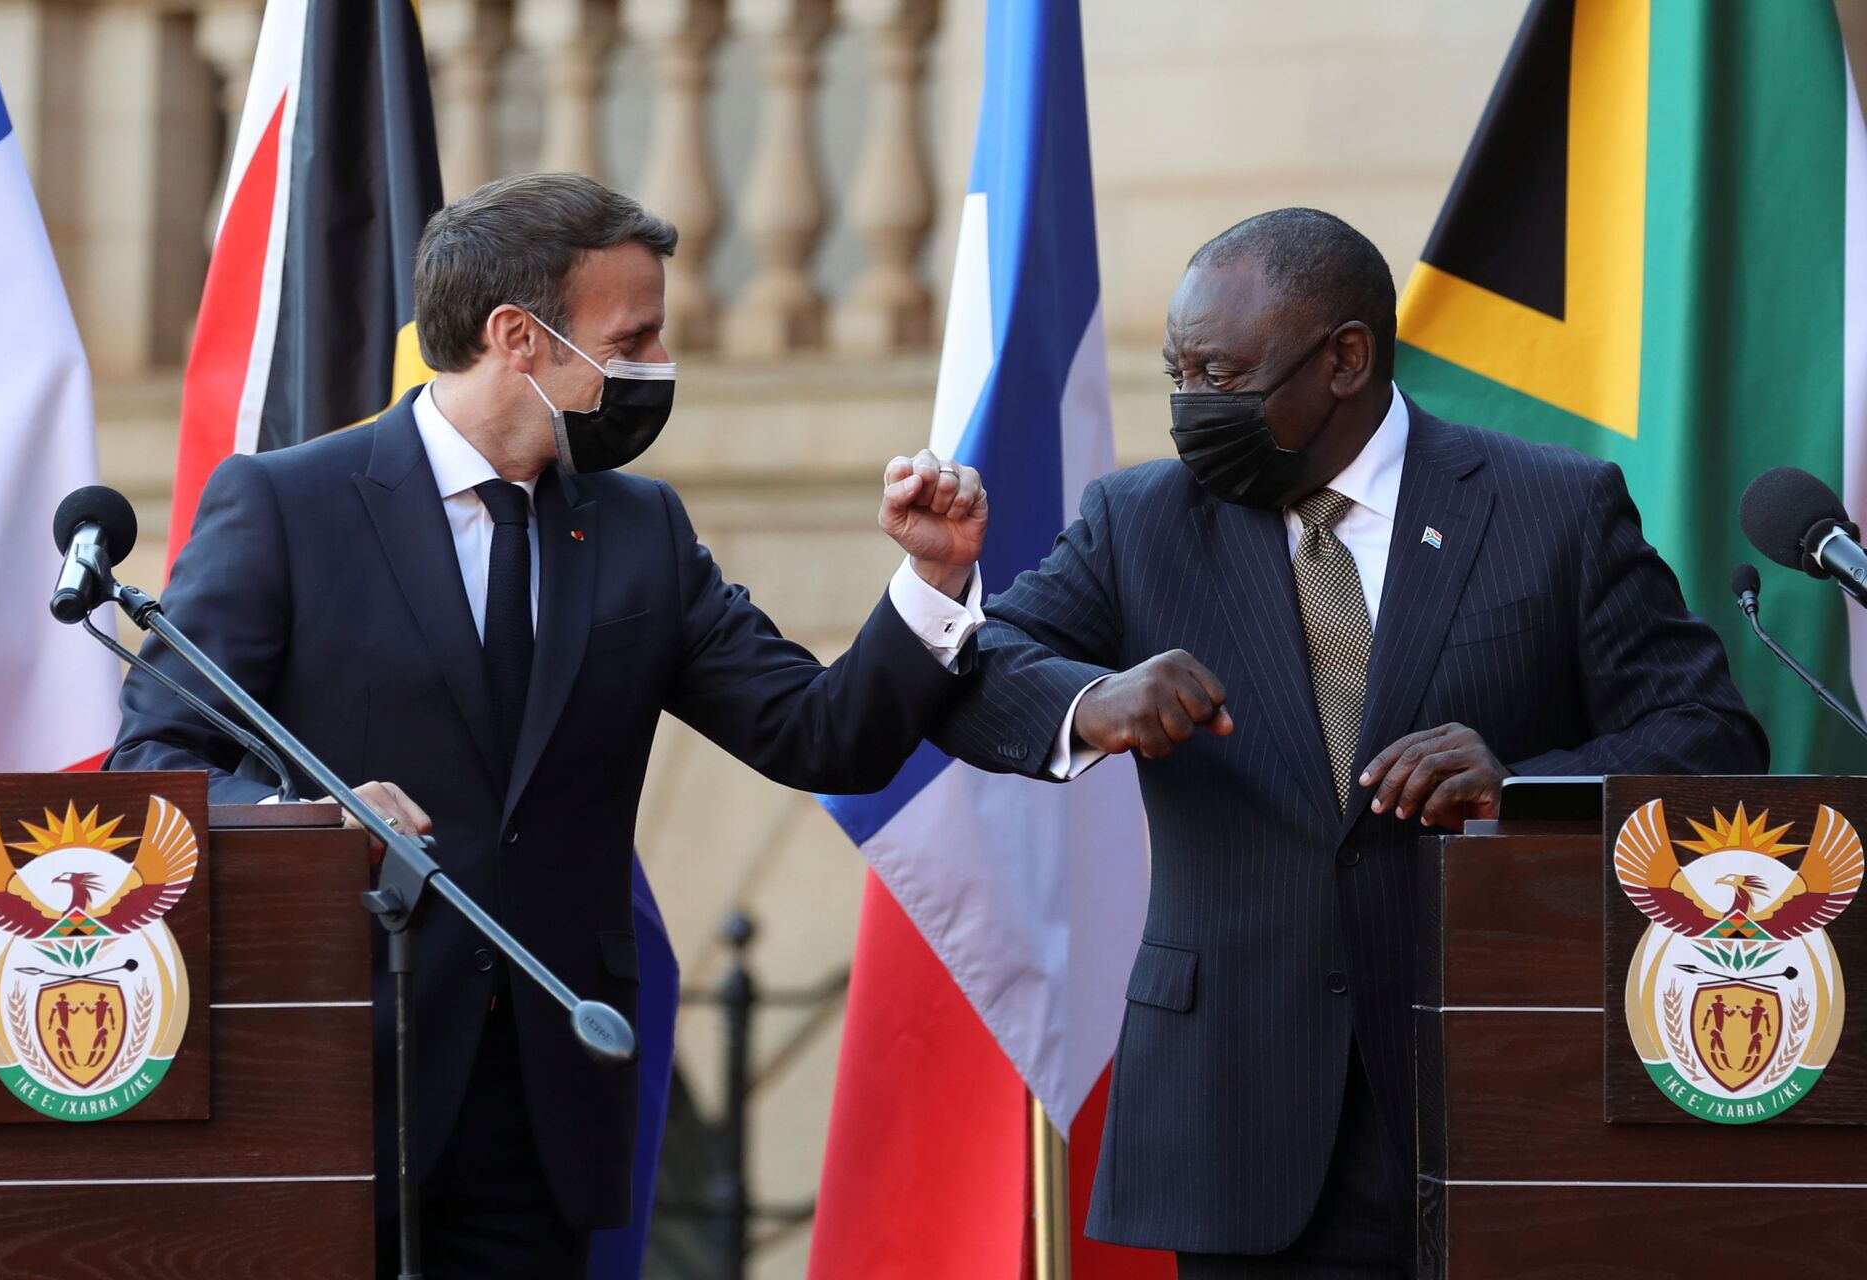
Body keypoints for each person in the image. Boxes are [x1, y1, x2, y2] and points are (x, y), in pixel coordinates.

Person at [108, 172, 989, 1278]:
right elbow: (155, 767)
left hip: (544, 1102)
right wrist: (307, 821)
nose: (659, 366)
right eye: (637, 336)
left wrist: (931, 580)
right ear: (517, 336)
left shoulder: (642, 530)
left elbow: (820, 733)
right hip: (329, 1078)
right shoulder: (287, 506)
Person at [931, 208, 1767, 1277]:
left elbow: (1710, 739)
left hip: (1503, 1085)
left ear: (1346, 360)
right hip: (1247, 1114)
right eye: (1175, 369)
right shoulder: (1138, 522)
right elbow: (975, 671)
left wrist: (1519, 785)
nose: (1191, 402)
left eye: (1221, 372)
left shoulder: (1551, 507)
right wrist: (1095, 699)